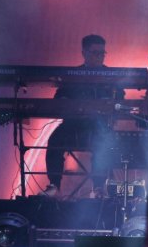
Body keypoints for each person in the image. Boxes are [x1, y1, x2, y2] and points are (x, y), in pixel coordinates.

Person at [41, 34, 123, 198]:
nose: (99, 57)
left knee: (104, 141)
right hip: (72, 126)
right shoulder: (72, 75)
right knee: (54, 140)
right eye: (95, 53)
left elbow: (121, 97)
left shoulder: (111, 75)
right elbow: (59, 99)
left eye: (102, 53)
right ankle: (54, 185)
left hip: (99, 126)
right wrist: (67, 102)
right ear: (84, 53)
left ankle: (99, 187)